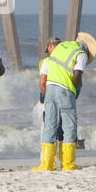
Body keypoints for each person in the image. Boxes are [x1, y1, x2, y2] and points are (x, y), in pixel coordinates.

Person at [33, 32, 96, 172]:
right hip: (65, 90)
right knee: (69, 127)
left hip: (50, 89)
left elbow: (47, 76)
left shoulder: (60, 49)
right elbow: (77, 76)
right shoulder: (81, 53)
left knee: (50, 125)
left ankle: (47, 165)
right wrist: (77, 89)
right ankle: (68, 165)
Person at [33, 37, 63, 171]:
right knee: (59, 129)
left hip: (50, 98)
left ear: (50, 47)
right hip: (59, 97)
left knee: (49, 129)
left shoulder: (45, 61)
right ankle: (61, 163)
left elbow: (42, 83)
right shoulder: (49, 62)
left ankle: (47, 163)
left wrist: (47, 96)